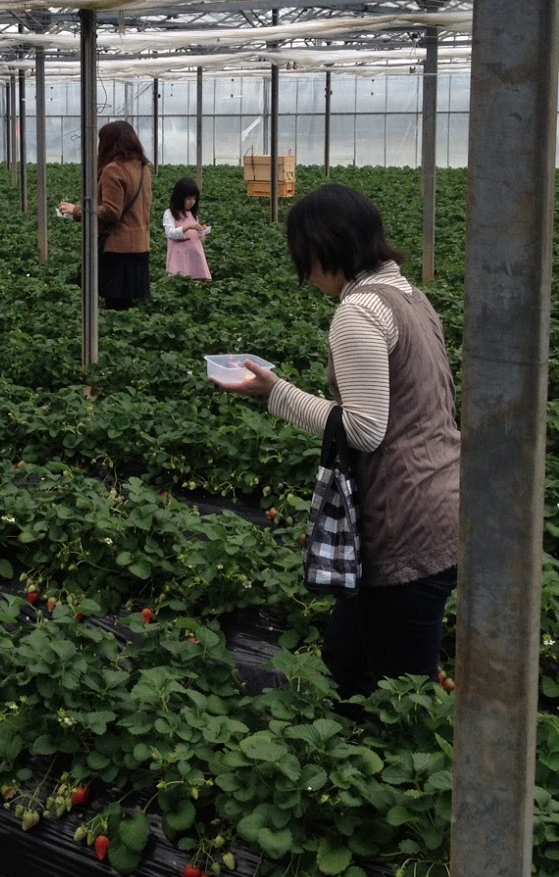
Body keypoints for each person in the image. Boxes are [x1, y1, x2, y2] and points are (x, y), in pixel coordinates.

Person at [217, 183, 459, 703]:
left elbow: (365, 429)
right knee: (345, 663)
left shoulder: (358, 313)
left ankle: (417, 777)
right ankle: (339, 754)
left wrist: (274, 392)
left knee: (405, 697)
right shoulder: (411, 298)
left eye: (306, 258)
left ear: (327, 248)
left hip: (407, 523)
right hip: (447, 499)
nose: (306, 275)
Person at [57, 120, 153, 309]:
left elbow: (111, 211)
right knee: (127, 307)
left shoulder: (114, 170)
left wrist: (76, 210)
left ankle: (112, 336)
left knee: (115, 304)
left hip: (118, 249)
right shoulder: (143, 168)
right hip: (140, 246)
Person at [162, 176, 211, 280]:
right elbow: (170, 233)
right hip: (179, 257)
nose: (192, 202)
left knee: (197, 282)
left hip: (195, 254)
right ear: (180, 197)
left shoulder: (193, 215)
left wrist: (202, 232)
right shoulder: (170, 213)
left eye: (194, 199)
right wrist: (187, 227)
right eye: (188, 198)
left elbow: (196, 237)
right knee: (179, 283)